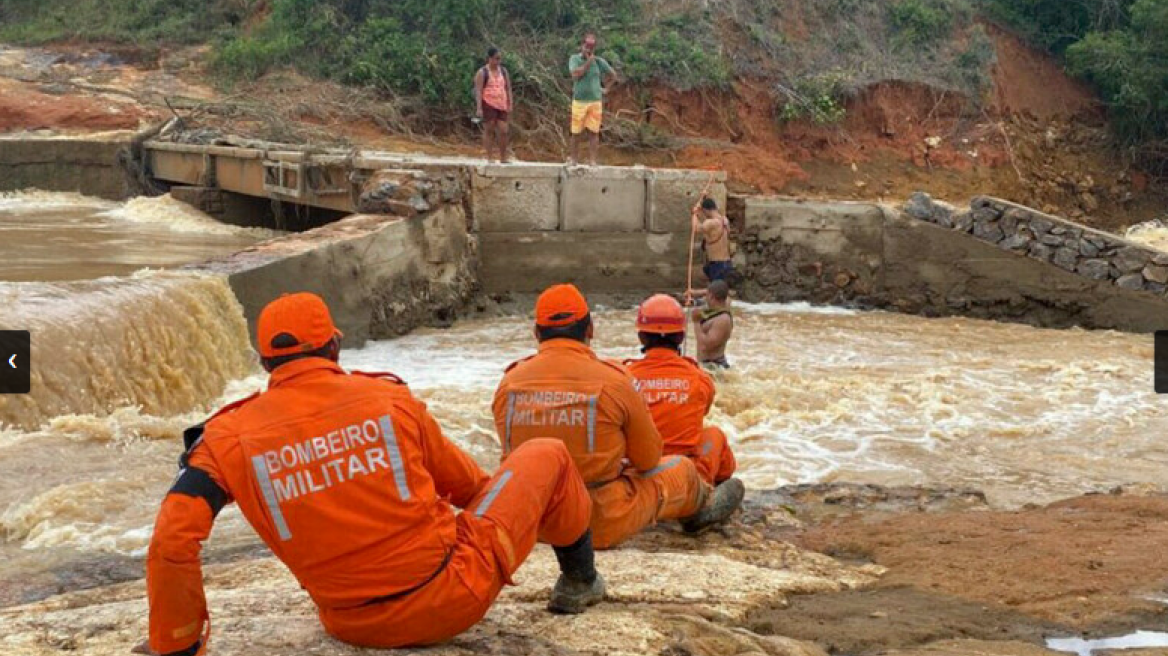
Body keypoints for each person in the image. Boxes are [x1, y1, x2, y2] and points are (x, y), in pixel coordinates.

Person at [138, 292, 603, 656]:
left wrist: (176, 642)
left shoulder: (225, 438)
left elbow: (171, 541)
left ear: (264, 364)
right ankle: (580, 580)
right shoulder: (389, 400)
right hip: (451, 598)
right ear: (334, 346)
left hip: (349, 622)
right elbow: (470, 488)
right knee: (546, 452)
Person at [492, 283, 744, 550]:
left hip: (533, 519)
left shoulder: (509, 382)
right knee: (681, 470)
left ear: (536, 333)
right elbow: (648, 459)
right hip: (598, 521)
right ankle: (701, 507)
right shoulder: (616, 380)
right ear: (590, 330)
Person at [624, 294, 738, 485]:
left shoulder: (624, 377)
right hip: (684, 477)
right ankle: (712, 491)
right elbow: (702, 411)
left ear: (641, 337)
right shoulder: (700, 378)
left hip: (637, 476)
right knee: (714, 435)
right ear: (681, 336)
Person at [567, 33, 618, 166]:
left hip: (595, 102)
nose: (589, 49)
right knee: (576, 132)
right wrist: (589, 61)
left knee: (594, 132)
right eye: (587, 45)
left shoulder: (599, 62)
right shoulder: (574, 59)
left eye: (592, 46)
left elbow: (613, 75)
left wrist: (606, 89)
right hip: (579, 101)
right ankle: (573, 159)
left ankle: (592, 160)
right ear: (582, 45)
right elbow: (576, 74)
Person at [474, 47, 513, 163]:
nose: (498, 61)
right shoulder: (482, 72)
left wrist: (510, 103)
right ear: (489, 59)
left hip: (501, 103)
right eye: (496, 59)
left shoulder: (503, 71)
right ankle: (489, 156)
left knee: (504, 130)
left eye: (499, 59)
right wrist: (479, 107)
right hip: (488, 102)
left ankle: (503, 157)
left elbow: (508, 88)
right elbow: (478, 90)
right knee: (489, 129)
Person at [693, 280, 734, 369]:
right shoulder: (719, 309)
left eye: (706, 296)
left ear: (711, 296)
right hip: (706, 365)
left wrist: (696, 323)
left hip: (713, 366)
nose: (705, 298)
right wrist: (694, 293)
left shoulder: (722, 319)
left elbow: (705, 346)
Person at [694, 197, 735, 285]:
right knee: (702, 276)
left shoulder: (711, 223)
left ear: (706, 210)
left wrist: (695, 213)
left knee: (717, 289)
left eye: (703, 212)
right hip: (723, 262)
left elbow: (696, 228)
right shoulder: (724, 220)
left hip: (719, 264)